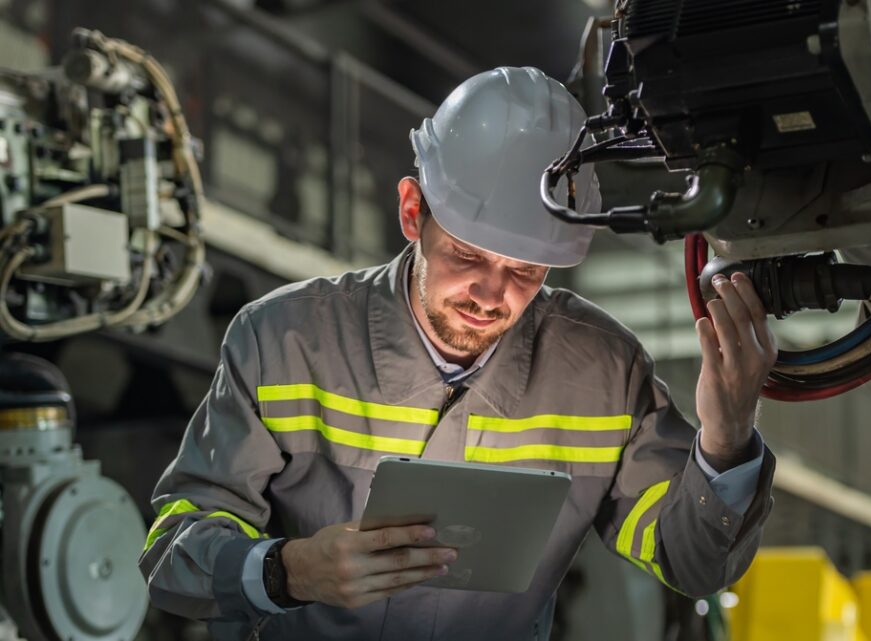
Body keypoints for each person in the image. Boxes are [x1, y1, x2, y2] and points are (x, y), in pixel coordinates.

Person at [139, 66, 779, 641]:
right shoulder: (282, 341)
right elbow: (172, 556)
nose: (493, 294)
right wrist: (287, 571)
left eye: (527, 269)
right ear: (413, 211)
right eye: (468, 255)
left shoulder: (605, 375)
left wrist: (725, 443)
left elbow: (692, 565)